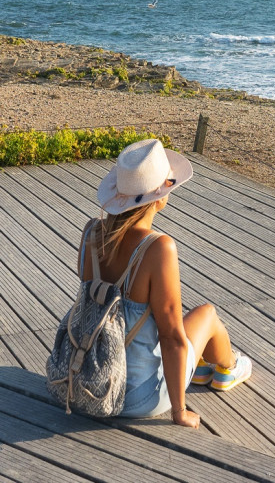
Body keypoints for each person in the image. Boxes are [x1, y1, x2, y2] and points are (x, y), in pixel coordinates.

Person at [77, 138, 252, 429]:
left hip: (91, 382)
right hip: (135, 398)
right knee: (207, 315)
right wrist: (179, 412)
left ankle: (206, 367)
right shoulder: (157, 248)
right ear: (160, 197)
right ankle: (228, 369)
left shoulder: (91, 233)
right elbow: (171, 338)